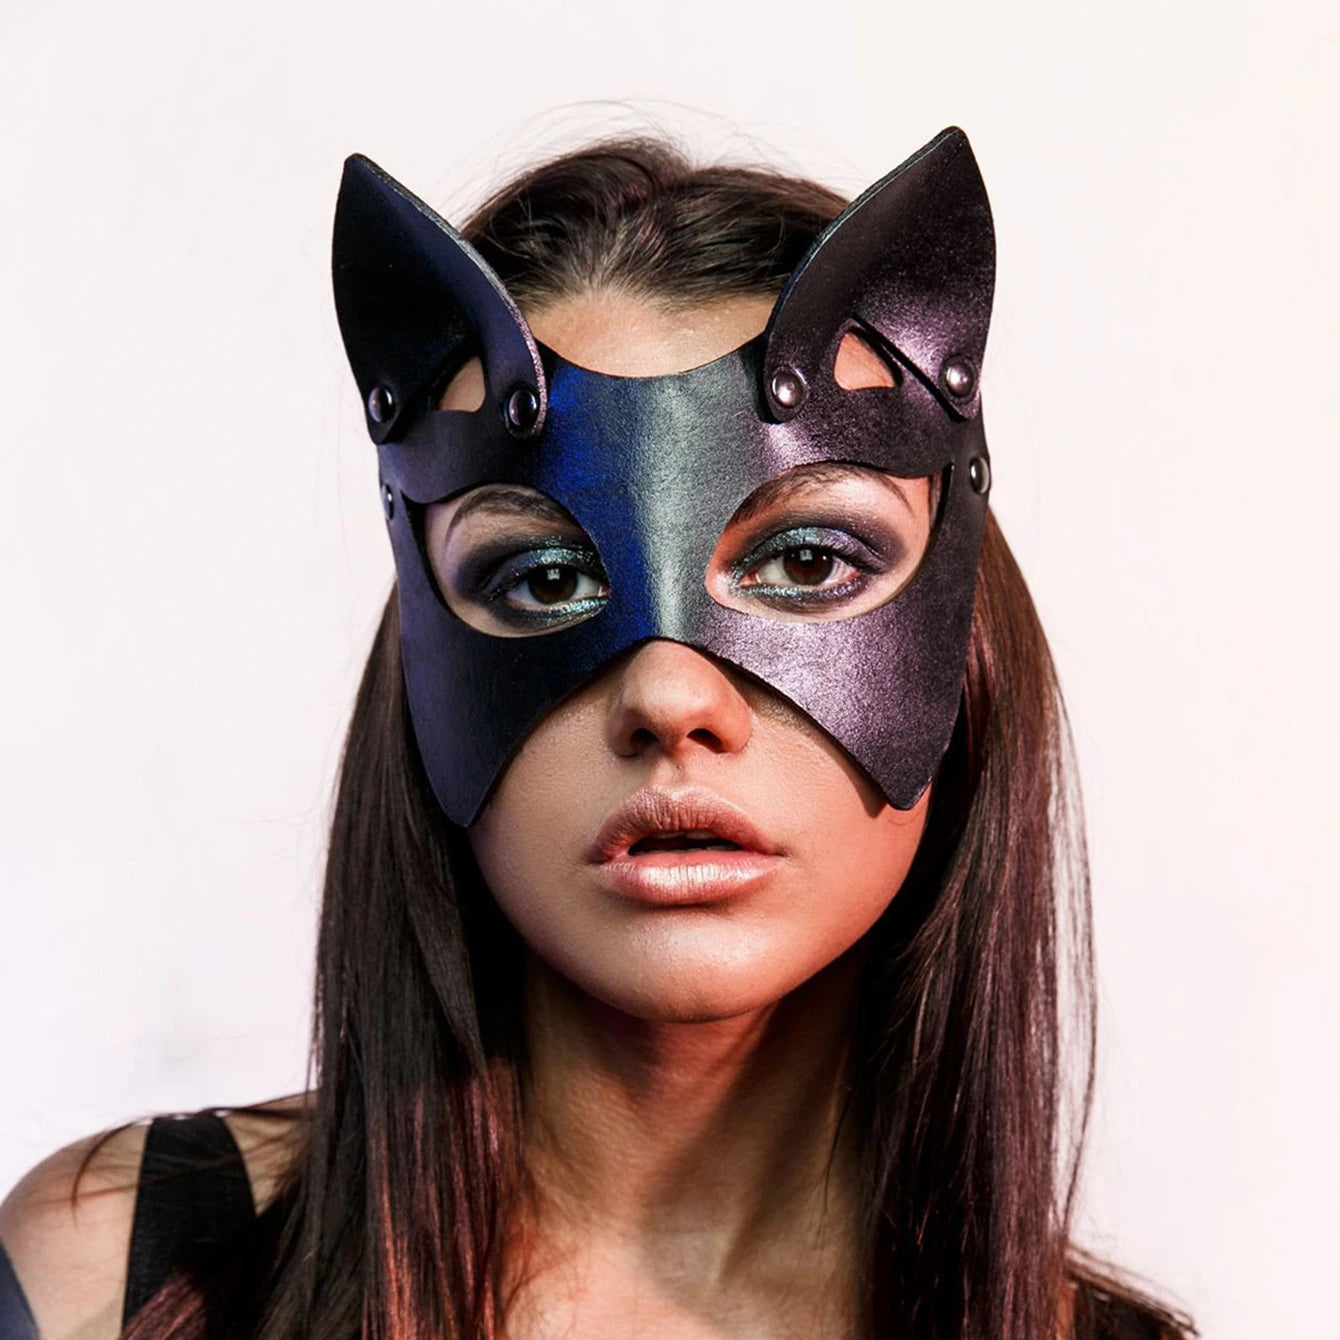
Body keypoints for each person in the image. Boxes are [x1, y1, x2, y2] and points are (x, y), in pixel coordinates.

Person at [0, 127, 1196, 1340]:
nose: (668, 696)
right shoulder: (120, 1278)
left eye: (806, 560)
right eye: (542, 579)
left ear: (962, 646)